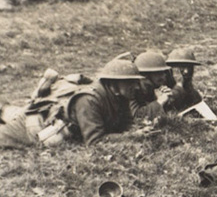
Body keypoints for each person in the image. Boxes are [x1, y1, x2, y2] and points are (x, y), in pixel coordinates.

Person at [0, 59, 142, 149]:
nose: (136, 87)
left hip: (44, 116)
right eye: (130, 82)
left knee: (9, 110)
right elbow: (95, 141)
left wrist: (138, 131)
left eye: (136, 82)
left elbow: (126, 125)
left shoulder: (120, 96)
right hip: (32, 127)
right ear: (113, 83)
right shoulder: (88, 100)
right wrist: (133, 136)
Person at [130, 51, 176, 121]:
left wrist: (169, 100)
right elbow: (136, 116)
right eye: (159, 73)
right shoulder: (130, 88)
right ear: (145, 76)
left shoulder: (157, 83)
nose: (164, 76)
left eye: (164, 72)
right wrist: (159, 102)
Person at [165, 47, 203, 111]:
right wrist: (178, 86)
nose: (186, 71)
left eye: (189, 67)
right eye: (181, 68)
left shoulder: (192, 92)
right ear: (170, 69)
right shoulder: (161, 88)